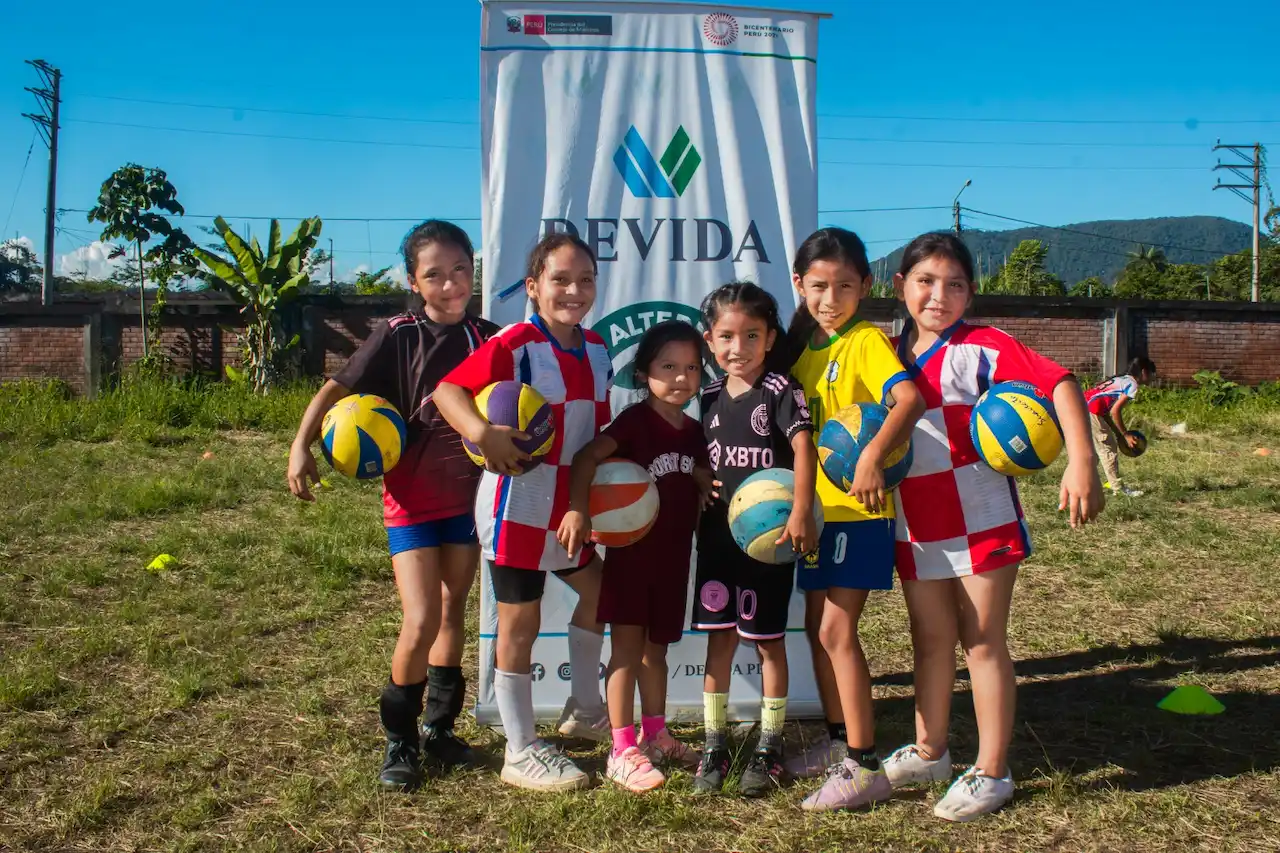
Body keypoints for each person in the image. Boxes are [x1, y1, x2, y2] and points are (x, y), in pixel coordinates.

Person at [884, 232, 1103, 822]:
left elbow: (1059, 381)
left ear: (971, 293)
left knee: (982, 642)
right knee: (929, 641)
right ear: (900, 285)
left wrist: (1082, 461)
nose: (939, 295)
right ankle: (930, 752)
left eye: (955, 284)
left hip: (982, 519)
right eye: (925, 281)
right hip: (913, 523)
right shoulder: (886, 351)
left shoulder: (984, 345)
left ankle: (993, 770)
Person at [286, 220, 497, 791]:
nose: (451, 284)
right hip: (411, 501)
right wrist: (301, 445)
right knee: (421, 618)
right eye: (435, 275)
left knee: (452, 612)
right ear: (413, 281)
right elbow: (335, 389)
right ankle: (399, 740)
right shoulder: (397, 334)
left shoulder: (487, 337)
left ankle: (440, 731)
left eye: (461, 270)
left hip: (466, 502)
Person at [433, 233, 612, 792]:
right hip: (518, 507)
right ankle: (519, 748)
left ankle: (585, 710)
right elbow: (447, 392)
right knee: (520, 624)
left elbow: (593, 433)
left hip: (569, 508)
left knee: (602, 593)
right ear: (533, 287)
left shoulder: (598, 348)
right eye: (560, 279)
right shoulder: (516, 342)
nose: (574, 290)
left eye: (585, 279)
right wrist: (482, 432)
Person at [778, 228, 925, 812]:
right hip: (816, 516)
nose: (830, 298)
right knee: (818, 628)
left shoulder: (864, 341)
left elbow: (910, 400)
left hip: (858, 514)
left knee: (837, 633)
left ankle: (863, 766)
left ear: (865, 286)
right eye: (818, 286)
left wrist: (871, 456)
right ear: (799, 285)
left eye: (844, 286)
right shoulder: (803, 349)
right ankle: (839, 741)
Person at [560, 320, 711, 792]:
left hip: (674, 559)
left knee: (656, 653)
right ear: (643, 373)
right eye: (668, 367)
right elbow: (585, 459)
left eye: (691, 368)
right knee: (626, 652)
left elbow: (697, 481)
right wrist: (578, 509)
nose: (681, 377)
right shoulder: (634, 422)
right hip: (632, 560)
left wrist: (702, 480)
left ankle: (656, 734)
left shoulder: (693, 431)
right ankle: (621, 748)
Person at [690, 282, 818, 797]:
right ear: (709, 340)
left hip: (768, 543)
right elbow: (701, 456)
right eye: (726, 336)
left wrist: (802, 509)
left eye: (750, 335)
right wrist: (699, 475)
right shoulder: (707, 397)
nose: (737, 347)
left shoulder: (781, 390)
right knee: (719, 639)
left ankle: (769, 746)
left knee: (767, 643)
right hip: (717, 539)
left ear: (769, 339)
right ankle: (714, 745)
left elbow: (804, 448)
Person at [1084, 357, 1156, 497]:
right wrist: (1126, 434)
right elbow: (1115, 411)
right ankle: (1118, 489)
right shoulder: (1132, 384)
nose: (1153, 378)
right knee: (1108, 450)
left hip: (1082, 407)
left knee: (1092, 451)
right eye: (1152, 374)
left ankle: (1086, 484)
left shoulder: (1121, 379)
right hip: (1092, 411)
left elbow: (1106, 413)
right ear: (1144, 372)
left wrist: (1118, 434)